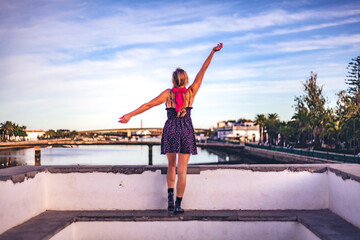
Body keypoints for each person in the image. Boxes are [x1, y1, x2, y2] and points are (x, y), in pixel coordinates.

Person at [118, 42, 223, 214]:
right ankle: (178, 205)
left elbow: (148, 105)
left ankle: (169, 197)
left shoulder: (168, 94)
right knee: (183, 171)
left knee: (171, 166)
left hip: (171, 129)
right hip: (186, 130)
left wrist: (129, 115)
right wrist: (213, 52)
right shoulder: (191, 93)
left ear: (173, 80)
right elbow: (203, 70)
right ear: (186, 80)